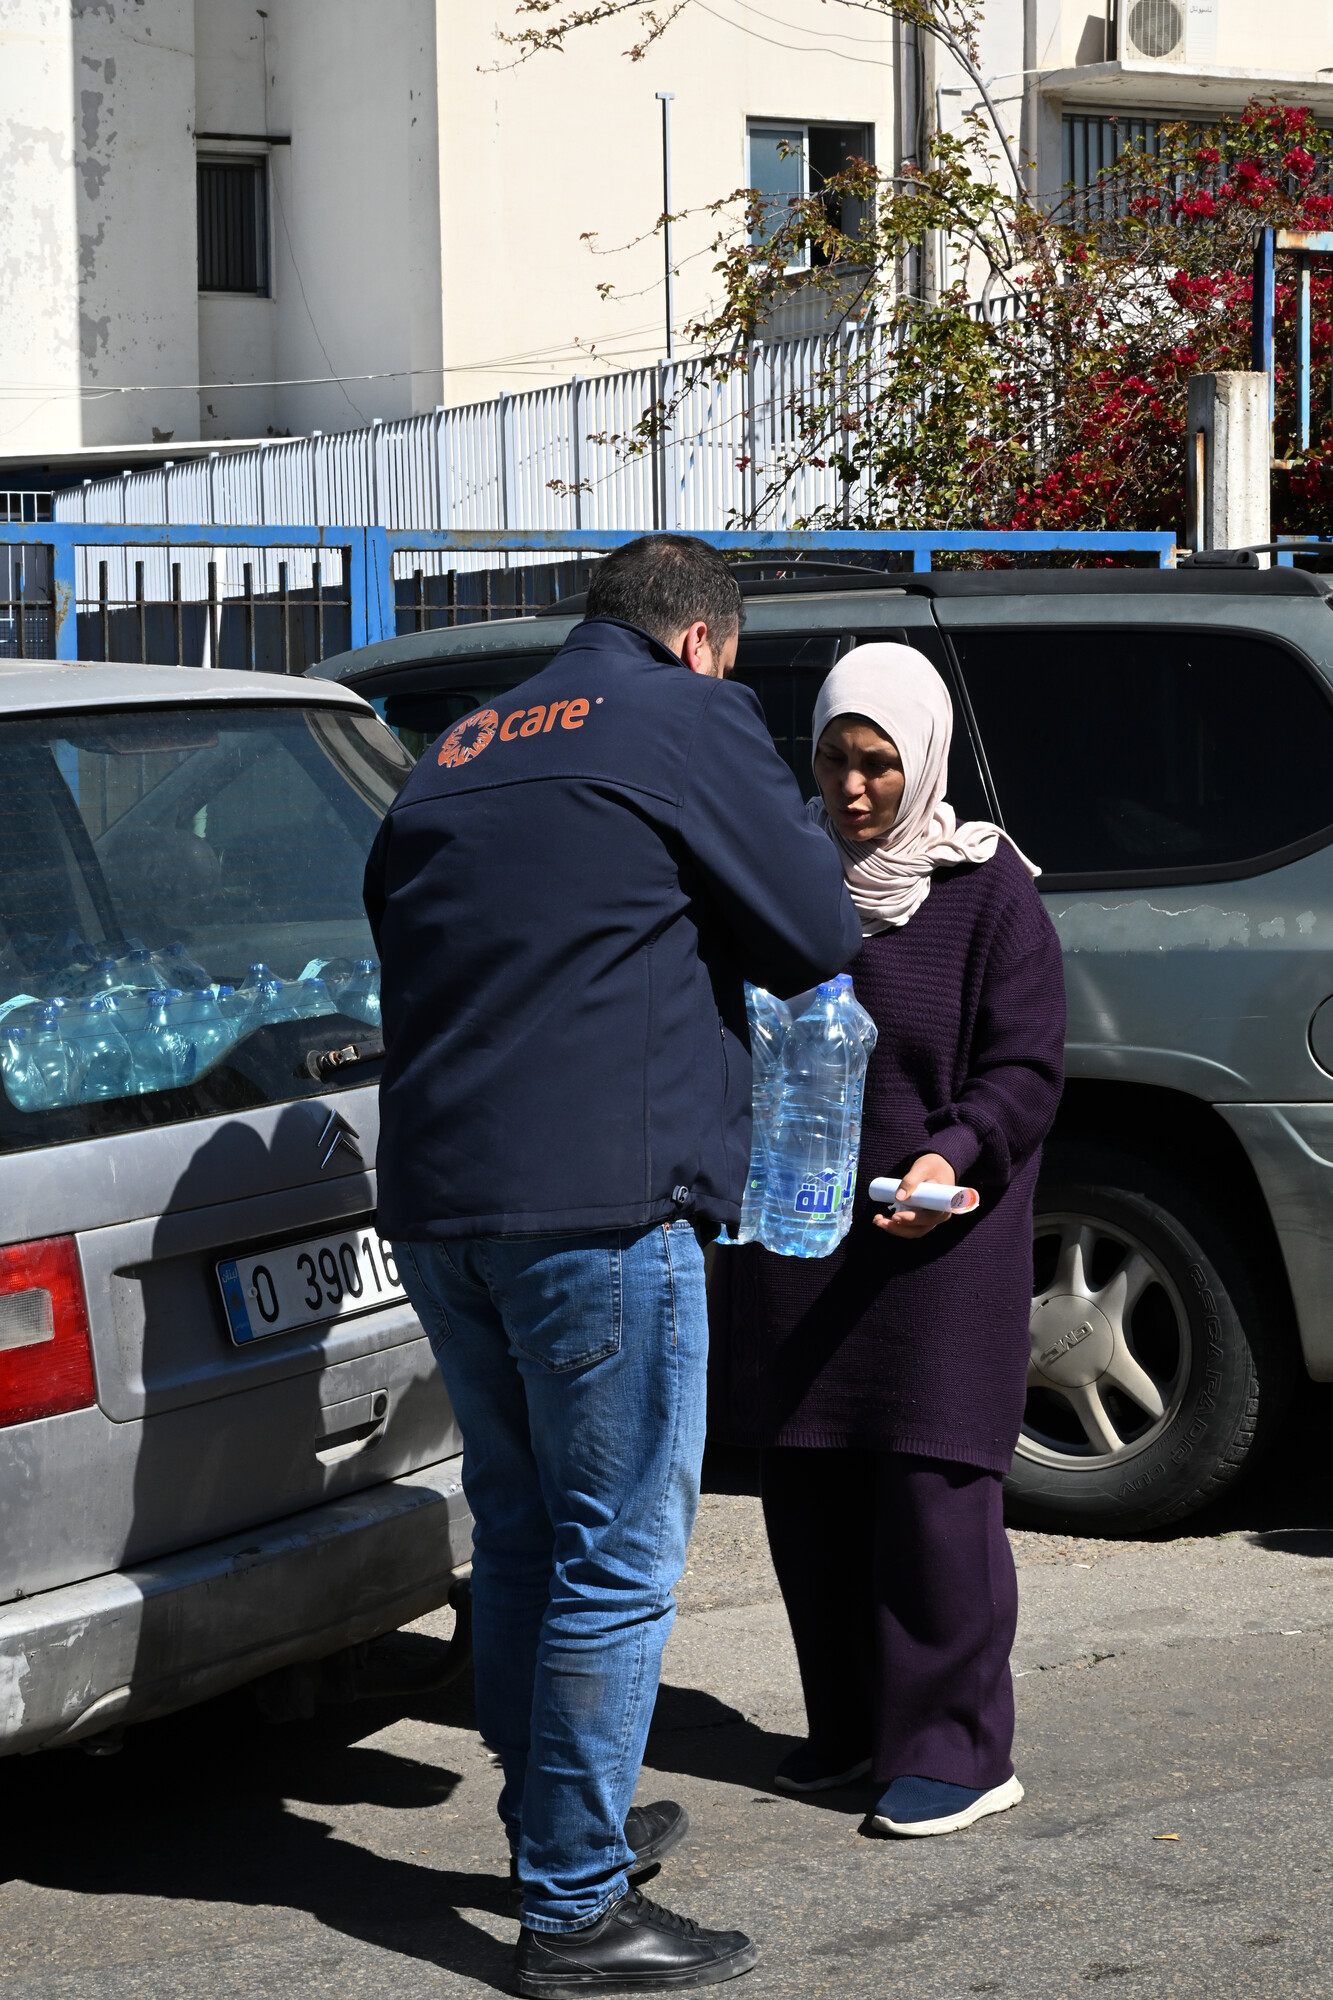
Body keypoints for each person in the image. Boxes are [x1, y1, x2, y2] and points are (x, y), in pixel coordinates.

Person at [364, 533, 860, 1993]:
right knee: (619, 1552)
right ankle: (573, 1908)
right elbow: (814, 931)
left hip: (447, 1201)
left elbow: (411, 929)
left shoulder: (459, 742)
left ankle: (557, 1824)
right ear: (703, 641)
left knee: (521, 1532)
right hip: (600, 1202)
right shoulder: (682, 712)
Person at [708, 642, 1065, 1840]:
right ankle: (853, 1728)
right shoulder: (783, 878)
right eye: (832, 758)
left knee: (927, 1497)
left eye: (877, 763)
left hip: (937, 1251)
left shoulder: (987, 890)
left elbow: (1024, 1069)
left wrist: (947, 1156)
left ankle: (958, 1748)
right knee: (808, 1493)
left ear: (923, 761)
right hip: (804, 1237)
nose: (852, 787)